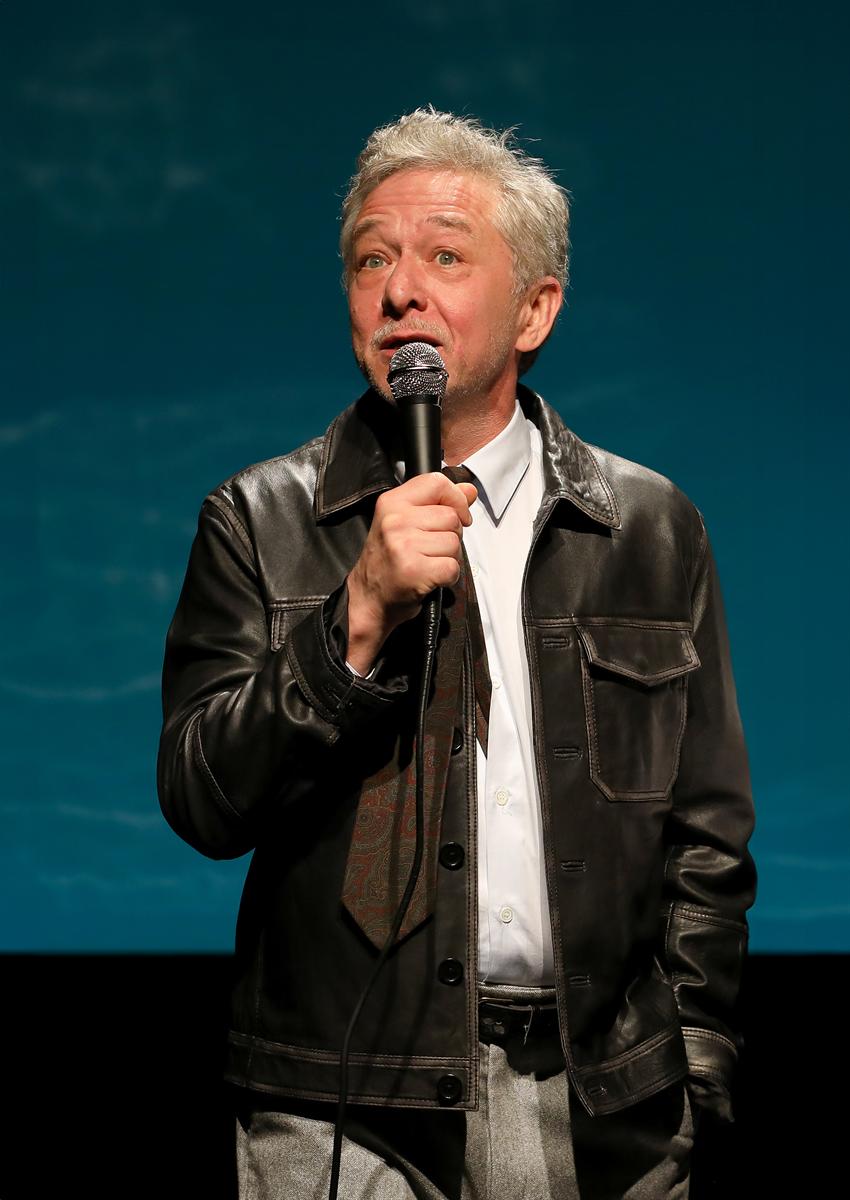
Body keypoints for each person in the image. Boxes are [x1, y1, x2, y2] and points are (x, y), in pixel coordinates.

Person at [157, 108, 756, 1199]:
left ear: (535, 308)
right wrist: (354, 618)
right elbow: (203, 799)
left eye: (443, 257)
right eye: (370, 260)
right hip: (346, 1109)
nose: (399, 291)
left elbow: (706, 832)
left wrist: (695, 1065)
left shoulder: (649, 526)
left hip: (604, 1104)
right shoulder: (259, 518)